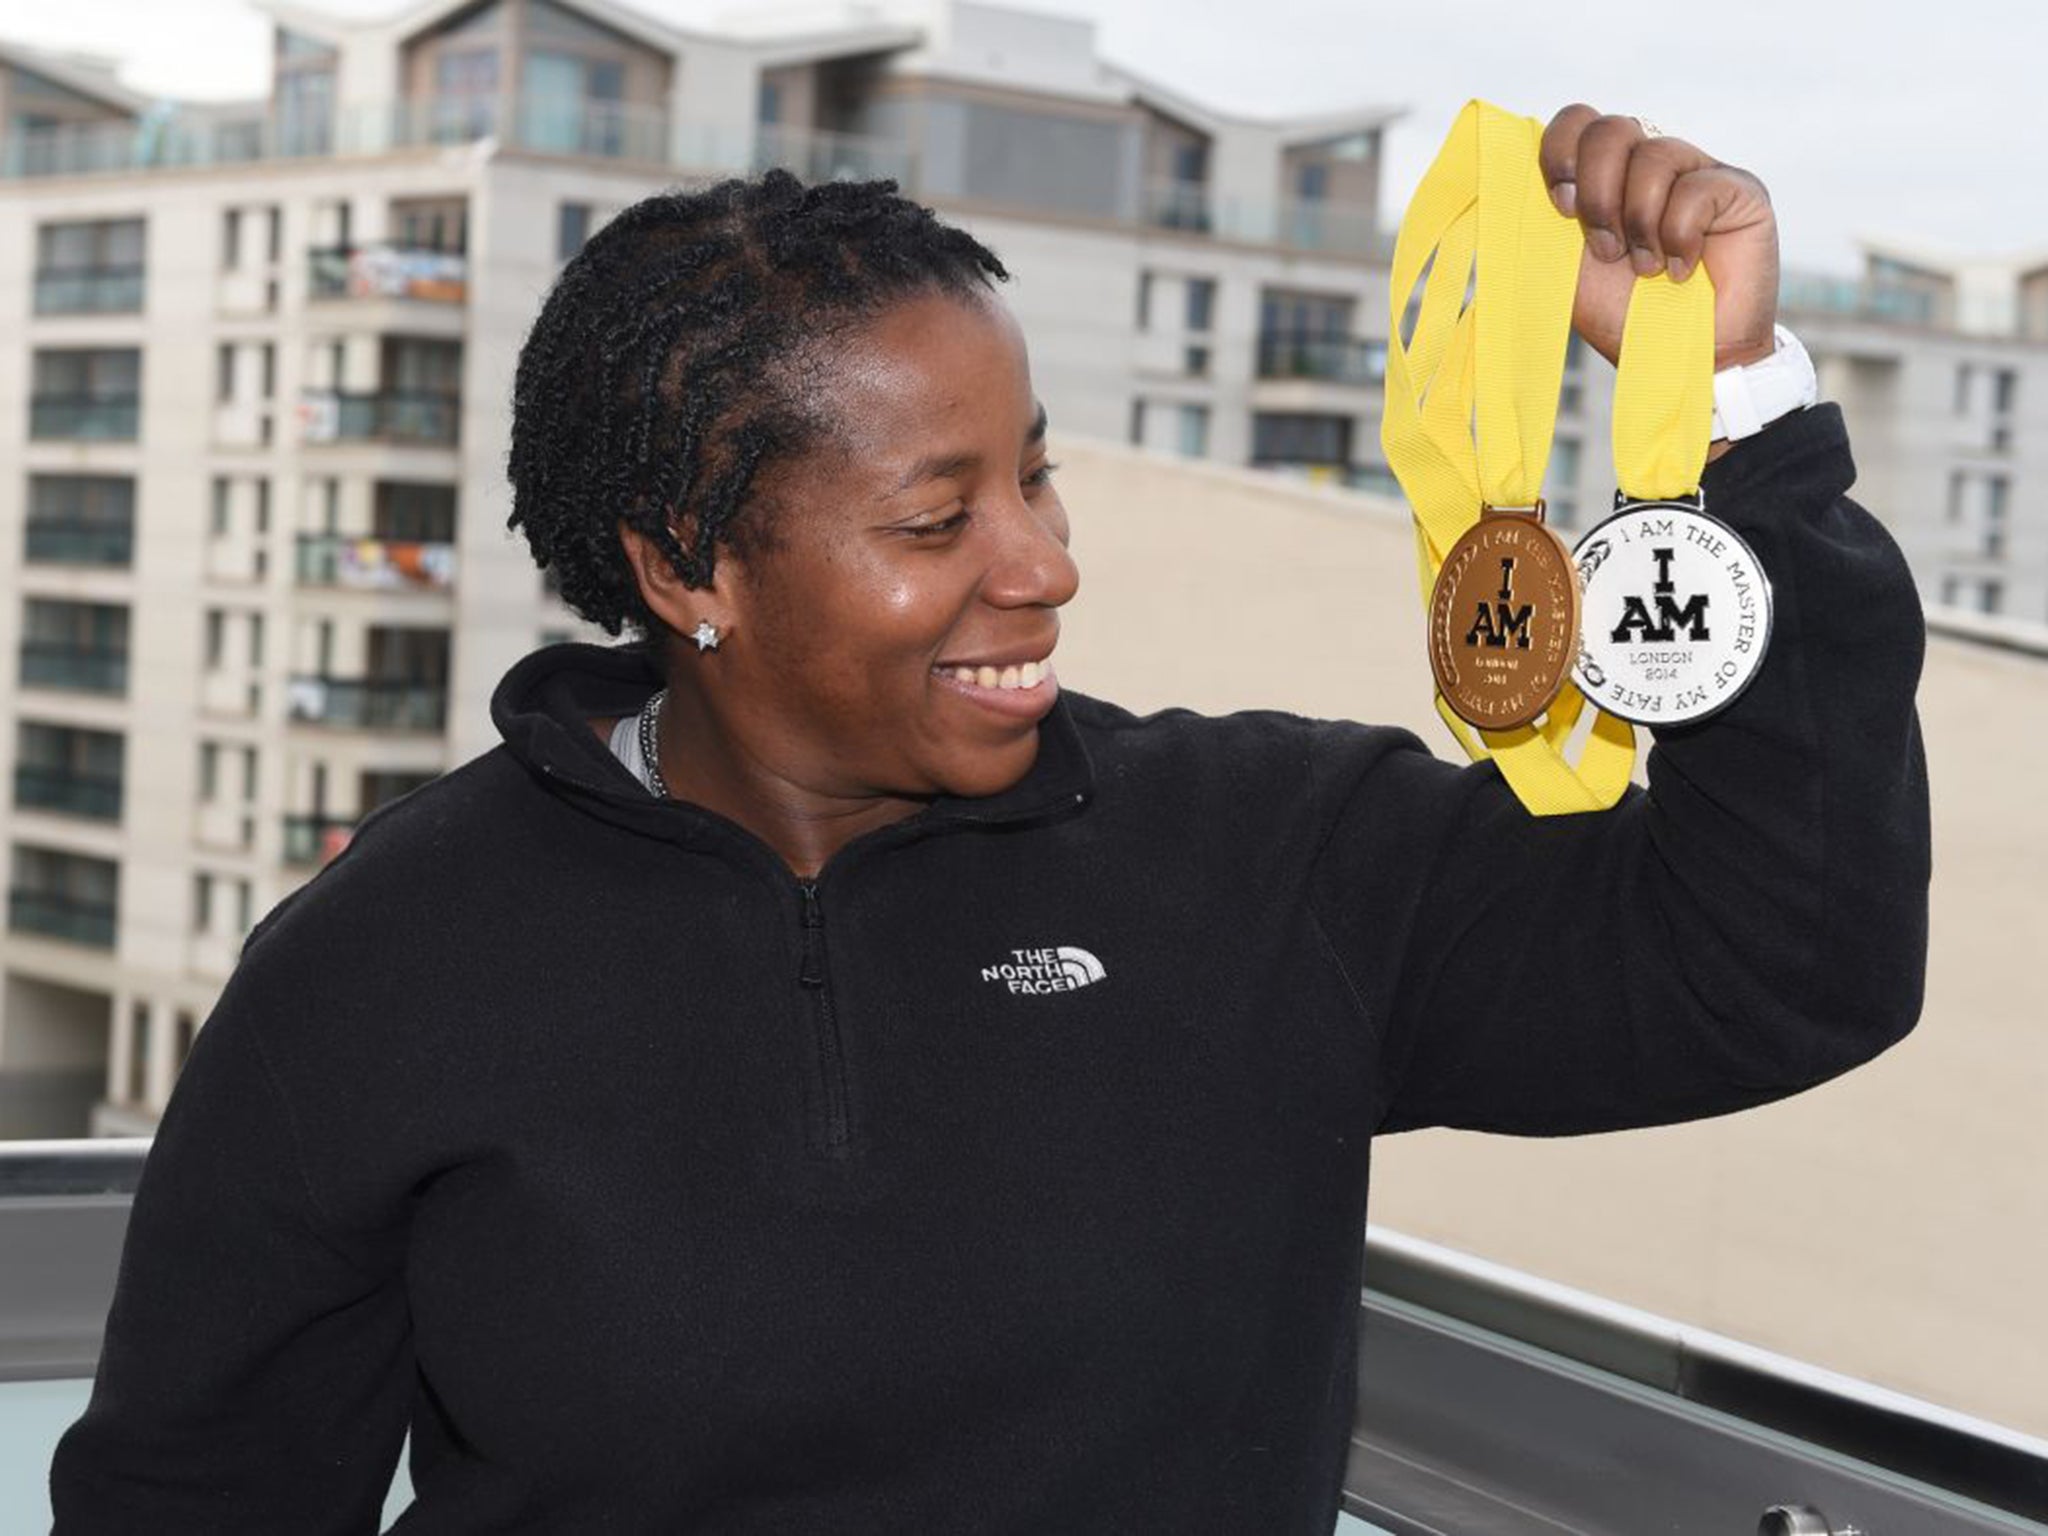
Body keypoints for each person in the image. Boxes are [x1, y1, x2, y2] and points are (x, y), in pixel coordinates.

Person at [49, 105, 1928, 1533]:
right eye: (937, 519)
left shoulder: (1269, 859)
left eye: (1033, 476)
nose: (1044, 564)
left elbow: (1786, 967)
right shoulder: (386, 965)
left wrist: (1741, 417)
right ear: (682, 562)